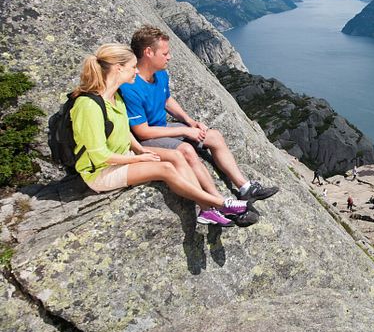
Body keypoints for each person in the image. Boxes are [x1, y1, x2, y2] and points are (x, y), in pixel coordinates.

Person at [70, 44, 252, 226]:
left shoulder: (114, 97)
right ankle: (218, 204)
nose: (136, 71)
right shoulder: (88, 106)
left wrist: (140, 150)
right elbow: (99, 155)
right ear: (119, 68)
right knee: (165, 169)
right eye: (133, 67)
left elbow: (123, 130)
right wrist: (138, 159)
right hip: (101, 172)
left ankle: (206, 211)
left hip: (124, 155)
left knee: (177, 155)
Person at [119, 26, 278, 204]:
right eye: (165, 53)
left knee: (214, 136)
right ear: (148, 52)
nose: (169, 57)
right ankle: (219, 202)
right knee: (187, 150)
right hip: (147, 138)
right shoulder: (130, 86)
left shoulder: (160, 74)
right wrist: (186, 132)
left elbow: (166, 100)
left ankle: (245, 187)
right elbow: (143, 132)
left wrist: (190, 122)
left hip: (163, 128)